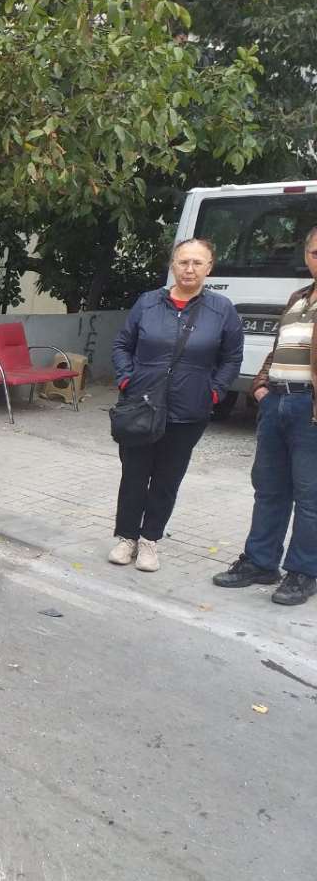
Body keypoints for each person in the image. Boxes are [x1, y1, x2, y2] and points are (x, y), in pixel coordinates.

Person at [109, 238, 243, 571]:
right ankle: (126, 538)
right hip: (141, 405)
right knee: (134, 475)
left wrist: (214, 391)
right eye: (184, 261)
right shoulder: (148, 303)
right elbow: (122, 345)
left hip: (188, 411)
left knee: (167, 478)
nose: (189, 269)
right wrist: (127, 379)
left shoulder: (221, 309)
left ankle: (150, 540)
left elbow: (231, 357)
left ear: (209, 267)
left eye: (198, 262)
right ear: (173, 264)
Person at [212, 227, 317, 604]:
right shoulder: (298, 298)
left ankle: (303, 572)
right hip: (277, 403)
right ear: (306, 256)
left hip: (311, 409)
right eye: (316, 252)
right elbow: (279, 348)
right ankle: (260, 562)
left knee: (310, 496)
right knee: (269, 489)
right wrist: (260, 385)